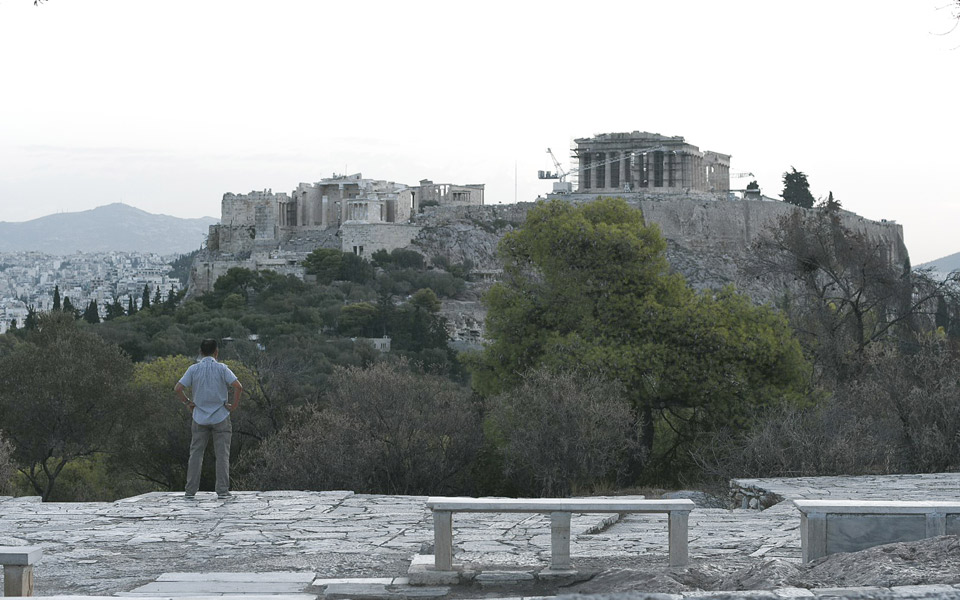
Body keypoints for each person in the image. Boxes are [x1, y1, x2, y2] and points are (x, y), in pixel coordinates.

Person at [174, 339, 242, 499]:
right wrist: (233, 406)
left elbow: (178, 388)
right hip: (221, 416)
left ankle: (190, 491)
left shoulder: (193, 369)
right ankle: (223, 491)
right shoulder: (222, 368)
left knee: (196, 454)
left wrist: (187, 403)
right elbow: (238, 386)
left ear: (201, 352)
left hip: (199, 417)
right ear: (216, 352)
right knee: (222, 455)